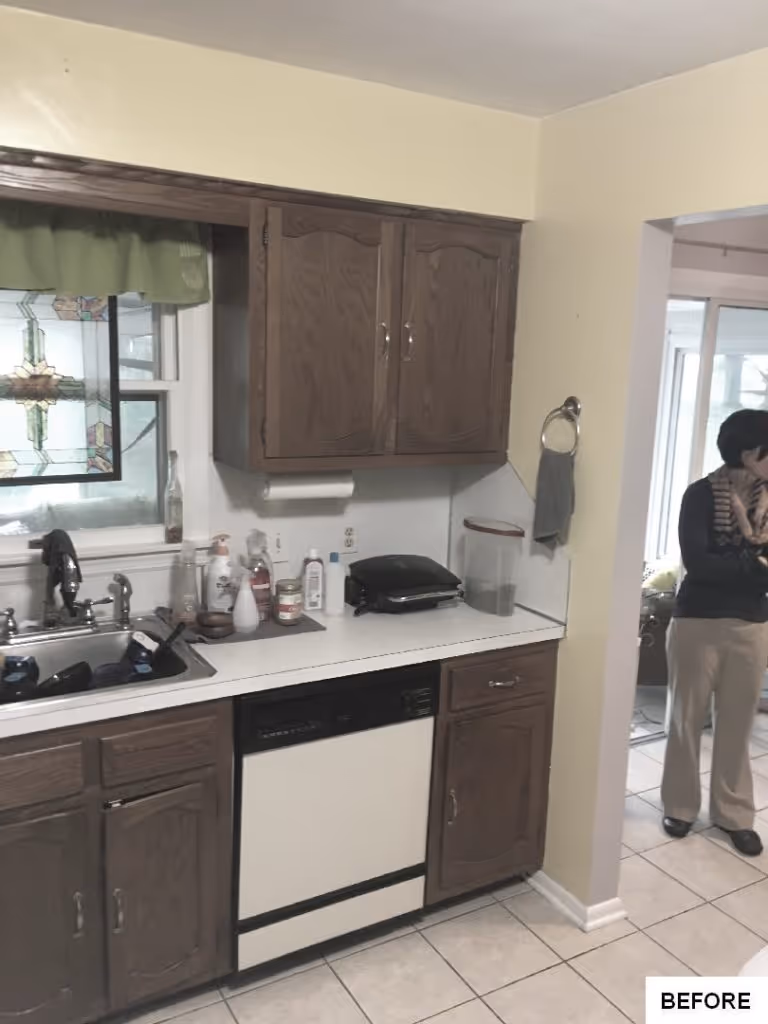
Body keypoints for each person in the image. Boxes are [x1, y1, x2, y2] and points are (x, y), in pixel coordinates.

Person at [661, 408, 768, 856]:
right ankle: (680, 807)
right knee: (686, 720)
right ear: (749, 453)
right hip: (696, 623)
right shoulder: (700, 496)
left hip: (752, 626)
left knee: (738, 723)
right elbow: (698, 564)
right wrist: (756, 565)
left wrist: (745, 570)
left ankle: (734, 814)